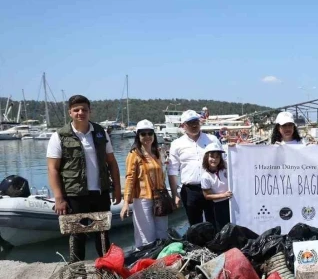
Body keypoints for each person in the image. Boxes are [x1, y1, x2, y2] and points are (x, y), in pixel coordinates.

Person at [46, 95, 122, 262]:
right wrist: (59, 198)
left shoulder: (101, 133)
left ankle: (107, 272)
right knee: (77, 238)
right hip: (75, 195)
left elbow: (112, 162)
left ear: (90, 112)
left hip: (100, 192)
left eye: (84, 110)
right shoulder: (59, 136)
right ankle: (77, 273)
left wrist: (117, 188)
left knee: (102, 236)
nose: (81, 113)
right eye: (76, 110)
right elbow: (53, 168)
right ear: (70, 113)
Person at [168, 110, 222, 226]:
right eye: (190, 122)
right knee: (195, 226)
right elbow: (172, 171)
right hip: (190, 191)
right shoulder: (176, 144)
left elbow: (223, 162)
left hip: (212, 188)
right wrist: (175, 194)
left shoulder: (212, 140)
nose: (194, 125)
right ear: (183, 125)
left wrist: (234, 149)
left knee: (214, 224)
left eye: (196, 121)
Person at [120, 120, 168, 249]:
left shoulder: (157, 153)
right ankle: (145, 260)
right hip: (142, 199)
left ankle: (161, 261)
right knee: (146, 235)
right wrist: (126, 202)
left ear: (154, 135)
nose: (147, 137)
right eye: (143, 134)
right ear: (138, 136)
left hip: (159, 198)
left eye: (150, 133)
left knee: (162, 232)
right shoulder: (134, 154)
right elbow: (130, 178)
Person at [201, 142, 232, 231]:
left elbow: (235, 157)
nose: (214, 159)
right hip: (219, 206)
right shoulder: (205, 176)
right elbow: (207, 196)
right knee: (223, 228)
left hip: (232, 202)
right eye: (212, 156)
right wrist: (224, 195)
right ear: (206, 157)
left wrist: (233, 146)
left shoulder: (226, 167)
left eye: (217, 157)